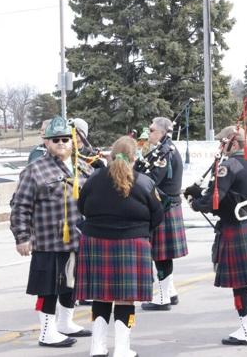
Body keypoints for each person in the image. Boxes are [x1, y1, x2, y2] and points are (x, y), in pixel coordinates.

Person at [75, 136, 164, 357]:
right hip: (132, 244)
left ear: (111, 155)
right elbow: (158, 215)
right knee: (125, 298)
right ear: (135, 158)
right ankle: (122, 349)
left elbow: (82, 206)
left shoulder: (94, 179)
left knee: (100, 295)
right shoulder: (143, 181)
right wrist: (140, 231)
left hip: (95, 241)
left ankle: (97, 347)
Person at [185, 126, 247, 346]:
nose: (220, 148)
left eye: (222, 143)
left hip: (237, 229)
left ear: (234, 144)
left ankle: (246, 330)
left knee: (240, 283)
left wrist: (194, 202)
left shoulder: (228, 166)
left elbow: (214, 200)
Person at [10, 115, 93, 348]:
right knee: (48, 288)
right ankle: (47, 331)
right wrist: (22, 237)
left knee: (70, 284)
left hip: (77, 238)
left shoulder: (82, 166)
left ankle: (66, 323)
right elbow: (20, 206)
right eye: (55, 139)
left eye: (66, 138)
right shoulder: (34, 170)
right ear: (46, 142)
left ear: (73, 141)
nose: (61, 143)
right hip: (48, 240)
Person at [139, 117, 189, 312]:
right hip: (168, 206)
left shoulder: (164, 151)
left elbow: (151, 179)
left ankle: (162, 297)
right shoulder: (166, 148)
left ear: (161, 132)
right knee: (162, 254)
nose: (149, 132)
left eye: (151, 130)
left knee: (160, 255)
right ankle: (171, 291)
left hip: (164, 207)